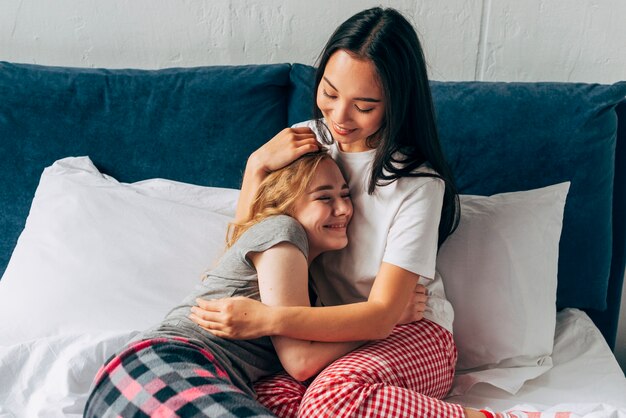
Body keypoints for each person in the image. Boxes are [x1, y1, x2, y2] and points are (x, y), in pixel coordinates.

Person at [188, 6, 498, 418]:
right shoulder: (304, 142)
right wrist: (256, 166)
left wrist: (269, 319)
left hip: (413, 331)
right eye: (329, 94)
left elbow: (383, 314)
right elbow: (246, 251)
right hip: (320, 335)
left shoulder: (417, 184)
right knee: (261, 400)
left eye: (364, 105)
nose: (338, 117)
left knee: (332, 399)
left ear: (395, 104)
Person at [83, 151, 376, 417]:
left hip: (128, 387)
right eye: (324, 198)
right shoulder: (282, 231)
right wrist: (382, 319)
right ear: (285, 203)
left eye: (346, 195)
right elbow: (301, 361)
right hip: (160, 368)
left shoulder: (310, 289)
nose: (343, 209)